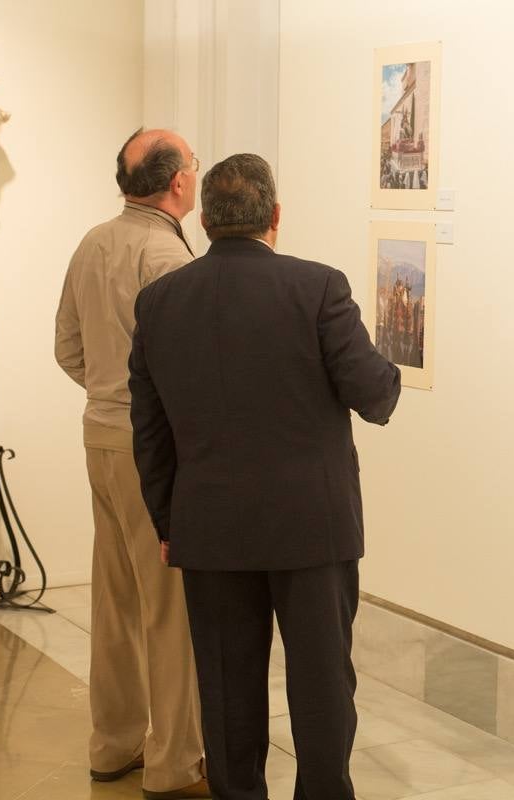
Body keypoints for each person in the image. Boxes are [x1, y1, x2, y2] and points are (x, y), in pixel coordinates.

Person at [128, 153, 401, 800]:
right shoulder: (319, 288)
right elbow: (376, 397)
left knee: (225, 692)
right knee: (321, 687)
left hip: (211, 531)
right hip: (312, 529)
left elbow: (151, 433)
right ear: (274, 216)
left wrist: (170, 523)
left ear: (203, 218)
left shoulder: (160, 303)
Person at [55, 127, 209, 800]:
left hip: (99, 436)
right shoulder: (167, 258)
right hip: (153, 451)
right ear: (178, 183)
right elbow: (188, 375)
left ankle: (113, 744)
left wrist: (106, 395)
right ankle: (175, 762)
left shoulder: (94, 241)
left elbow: (67, 346)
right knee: (170, 610)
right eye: (194, 167)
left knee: (115, 598)